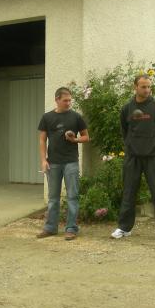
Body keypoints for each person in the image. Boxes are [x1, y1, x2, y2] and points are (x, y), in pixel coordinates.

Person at [111, 75, 155, 241]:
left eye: (148, 87)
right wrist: (131, 146)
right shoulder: (127, 108)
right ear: (135, 87)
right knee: (129, 192)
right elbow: (124, 131)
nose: (147, 90)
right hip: (133, 157)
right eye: (143, 87)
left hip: (153, 156)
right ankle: (124, 228)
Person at [37, 87, 89, 240]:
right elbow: (42, 139)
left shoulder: (76, 117)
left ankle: (71, 229)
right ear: (57, 100)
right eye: (65, 100)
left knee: (73, 196)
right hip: (53, 163)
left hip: (71, 162)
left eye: (69, 100)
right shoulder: (47, 117)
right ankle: (50, 228)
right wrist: (43, 160)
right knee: (53, 197)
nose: (68, 103)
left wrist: (75, 139)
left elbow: (86, 137)